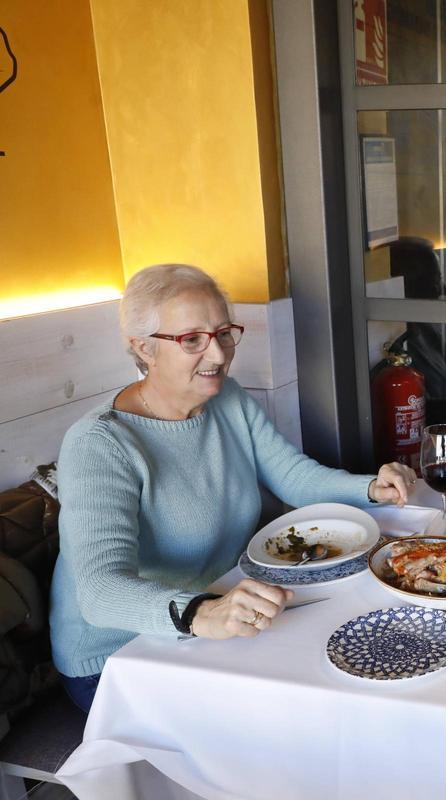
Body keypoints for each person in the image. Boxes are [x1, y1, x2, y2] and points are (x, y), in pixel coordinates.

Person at [49, 264, 417, 712]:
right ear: (143, 348)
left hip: (217, 615)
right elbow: (100, 593)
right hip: (121, 657)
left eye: (224, 333)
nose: (219, 355)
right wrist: (204, 613)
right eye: (192, 340)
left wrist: (372, 488)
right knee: (290, 714)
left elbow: (293, 477)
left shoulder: (227, 397)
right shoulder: (99, 444)